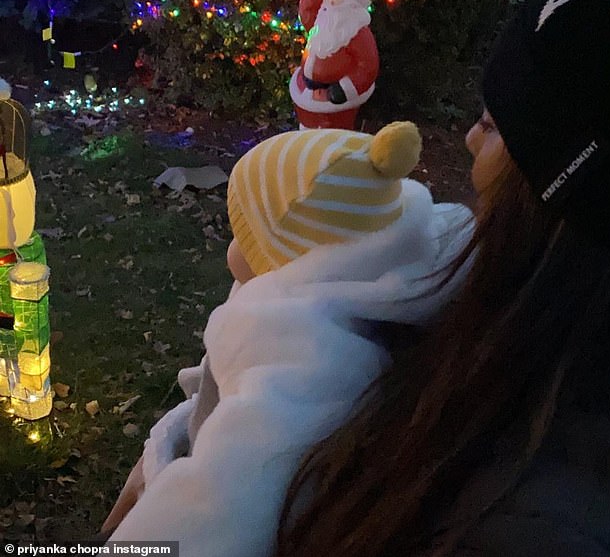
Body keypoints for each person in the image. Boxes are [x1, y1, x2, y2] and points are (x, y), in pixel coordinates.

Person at [274, 0, 610, 556]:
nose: (468, 139)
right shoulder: (522, 346)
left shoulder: (540, 525)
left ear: (567, 191)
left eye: (496, 125)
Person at [102, 121, 472, 554]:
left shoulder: (306, 351)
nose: (231, 247)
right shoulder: (341, 279)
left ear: (283, 257)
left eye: (241, 234)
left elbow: (222, 501)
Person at [289, 0, 380, 130]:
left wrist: (344, 89)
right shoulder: (322, 20)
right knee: (306, 129)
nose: (330, 1)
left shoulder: (357, 33)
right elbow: (307, 12)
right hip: (307, 90)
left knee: (334, 135)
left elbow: (367, 66)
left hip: (335, 97)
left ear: (352, 4)